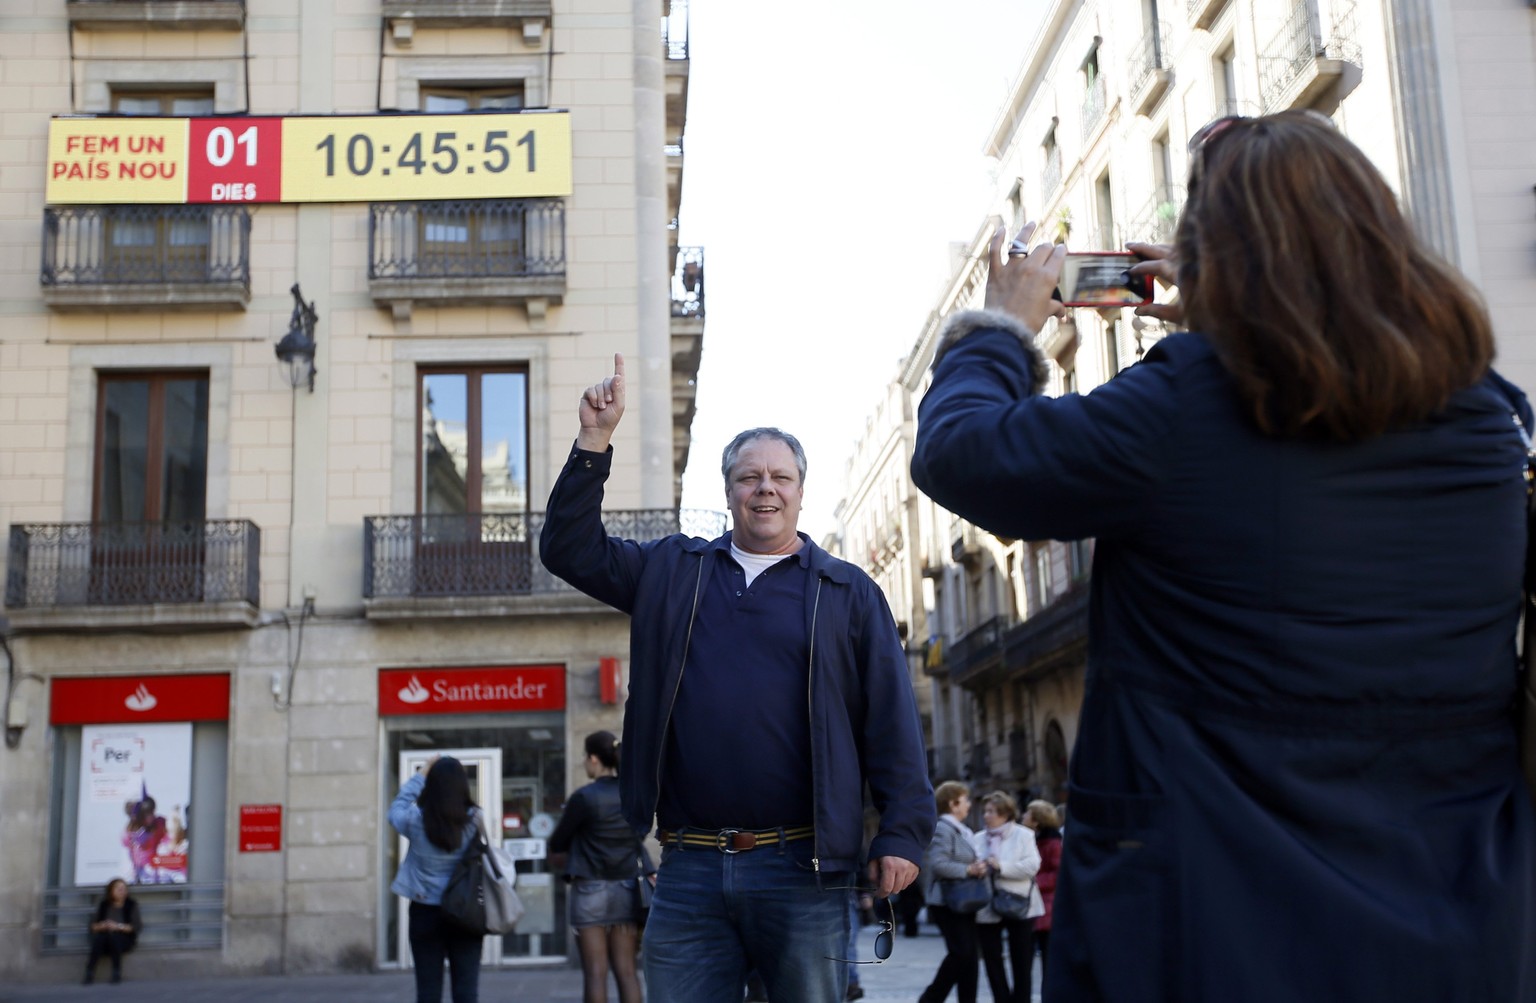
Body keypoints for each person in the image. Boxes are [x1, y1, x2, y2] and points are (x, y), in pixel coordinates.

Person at [910, 109, 1536, 1001]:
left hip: (1216, 918)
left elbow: (963, 450)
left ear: (1220, 252)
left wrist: (998, 330)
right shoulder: (1487, 414)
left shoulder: (1186, 403)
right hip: (1455, 912)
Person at [539, 355, 936, 1003]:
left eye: (781, 476)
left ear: (801, 491)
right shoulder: (673, 571)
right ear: (728, 491)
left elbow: (891, 721)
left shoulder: (846, 592)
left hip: (803, 869)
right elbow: (568, 551)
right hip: (689, 865)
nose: (765, 489)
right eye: (749, 476)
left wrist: (902, 831)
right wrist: (593, 442)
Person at [547, 730, 650, 1003]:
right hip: (627, 889)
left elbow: (558, 840)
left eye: (584, 757)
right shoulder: (631, 795)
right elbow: (639, 835)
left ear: (593, 758)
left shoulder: (584, 797)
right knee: (627, 972)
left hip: (589, 888)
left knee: (595, 973)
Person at [389, 756, 485, 1003]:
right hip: (465, 911)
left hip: (424, 911)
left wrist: (420, 776)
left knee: (428, 991)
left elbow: (396, 809)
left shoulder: (415, 820)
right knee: (466, 991)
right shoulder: (475, 819)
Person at [973, 792, 1043, 1003]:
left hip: (1019, 903)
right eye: (985, 811)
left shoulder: (1023, 835)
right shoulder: (977, 838)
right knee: (992, 958)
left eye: (991, 811)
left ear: (1005, 813)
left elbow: (1032, 866)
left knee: (1021, 959)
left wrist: (1001, 866)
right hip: (987, 904)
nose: (986, 815)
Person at [918, 782, 985, 1003]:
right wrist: (969, 869)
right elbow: (938, 864)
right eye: (965, 800)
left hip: (964, 900)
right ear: (953, 803)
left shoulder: (962, 831)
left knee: (970, 957)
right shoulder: (943, 829)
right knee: (961, 953)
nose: (968, 805)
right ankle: (930, 998)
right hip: (947, 901)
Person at [1022, 800, 1061, 990]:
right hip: (1036, 904)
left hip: (1047, 905)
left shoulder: (1053, 843)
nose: (1023, 816)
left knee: (1047, 955)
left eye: (1028, 814)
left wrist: (1034, 882)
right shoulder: (1035, 839)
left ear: (1037, 820)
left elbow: (1057, 873)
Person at [83, 878, 140, 984]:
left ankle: (116, 972)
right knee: (100, 939)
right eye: (119, 889)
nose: (122, 892)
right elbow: (93, 926)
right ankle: (89, 972)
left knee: (114, 937)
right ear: (111, 891)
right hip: (104, 940)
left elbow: (135, 927)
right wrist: (103, 925)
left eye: (124, 889)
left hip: (124, 939)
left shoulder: (131, 904)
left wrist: (117, 926)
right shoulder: (104, 905)